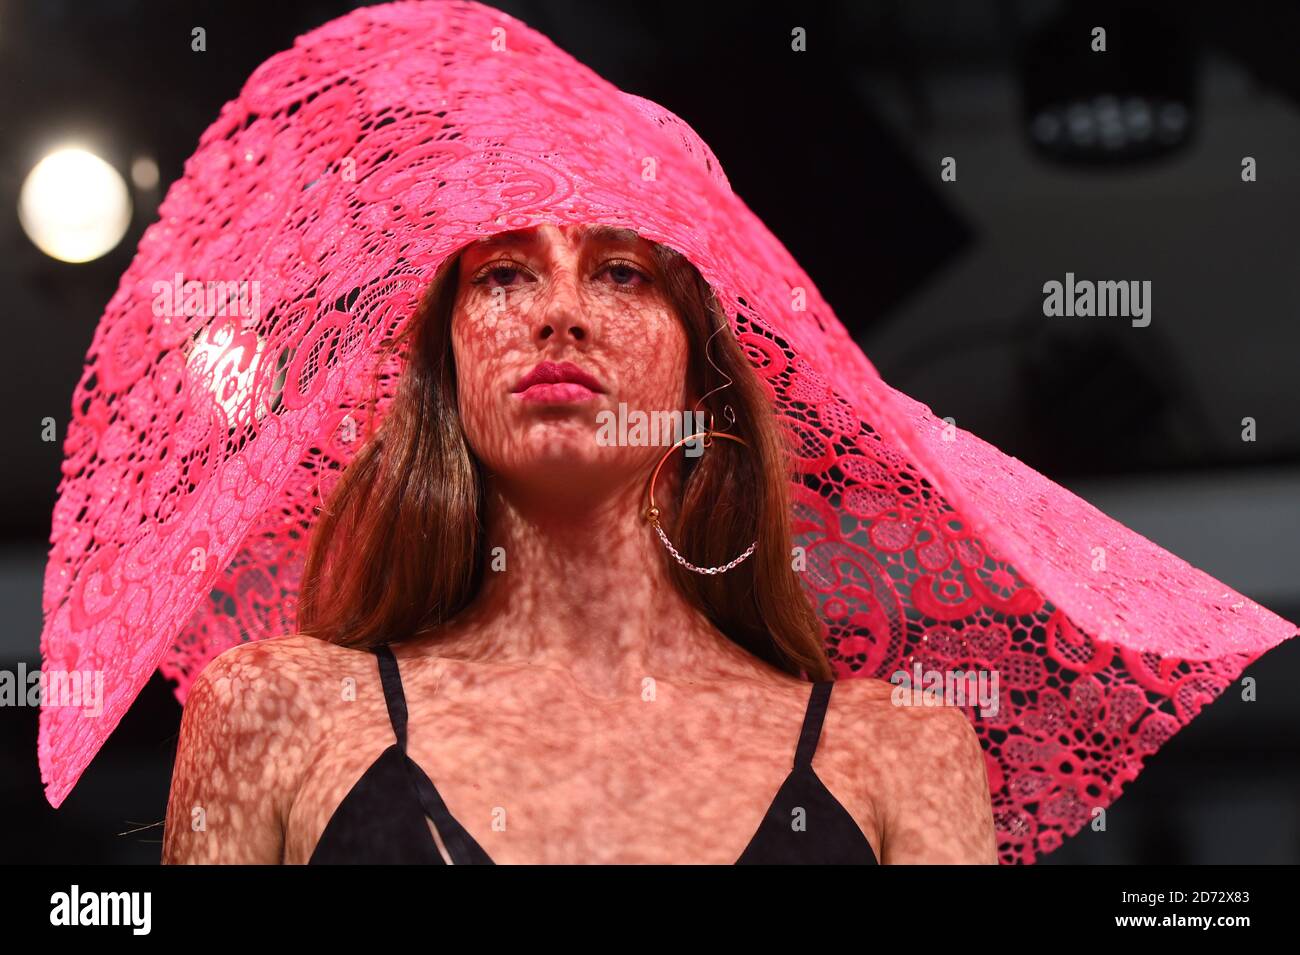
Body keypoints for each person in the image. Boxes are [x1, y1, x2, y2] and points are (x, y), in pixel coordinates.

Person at [161, 222, 998, 864]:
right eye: (504, 273)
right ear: (447, 374)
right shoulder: (275, 711)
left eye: (622, 271)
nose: (559, 312)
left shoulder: (901, 751)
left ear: (701, 383)